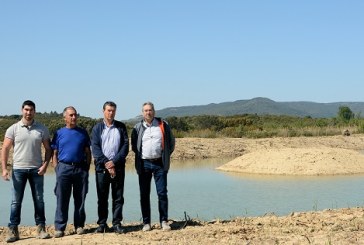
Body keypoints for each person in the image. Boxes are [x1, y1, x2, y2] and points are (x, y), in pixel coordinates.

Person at [1, 100, 52, 242]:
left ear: (35, 111)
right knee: (15, 201)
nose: (28, 113)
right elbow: (5, 148)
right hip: (18, 170)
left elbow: (48, 149)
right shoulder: (13, 128)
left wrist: (45, 165)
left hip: (37, 170)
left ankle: (41, 229)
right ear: (22, 110)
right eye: (26, 110)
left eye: (31, 110)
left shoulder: (42, 129)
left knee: (39, 200)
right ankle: (13, 230)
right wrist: (4, 169)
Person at [131, 102, 175, 232]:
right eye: (145, 110)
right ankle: (146, 222)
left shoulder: (163, 125)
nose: (148, 112)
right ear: (142, 112)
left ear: (154, 111)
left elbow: (171, 143)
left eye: (150, 110)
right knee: (144, 194)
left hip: (159, 164)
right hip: (144, 164)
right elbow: (134, 146)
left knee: (162, 193)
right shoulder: (138, 127)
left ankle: (164, 221)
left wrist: (165, 155)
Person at [51, 106, 91, 238]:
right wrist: (57, 168)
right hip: (64, 168)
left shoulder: (83, 132)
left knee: (80, 199)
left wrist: (86, 168)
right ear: (65, 117)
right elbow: (54, 152)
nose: (74, 117)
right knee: (62, 199)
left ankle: (79, 226)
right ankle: (60, 227)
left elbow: (87, 152)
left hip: (80, 169)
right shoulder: (59, 133)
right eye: (71, 115)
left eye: (75, 115)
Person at [91, 101, 129, 234]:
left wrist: (114, 162)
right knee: (102, 197)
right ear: (103, 111)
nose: (111, 113)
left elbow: (125, 147)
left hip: (118, 167)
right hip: (101, 169)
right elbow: (95, 149)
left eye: (113, 110)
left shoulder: (121, 127)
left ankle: (117, 223)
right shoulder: (97, 128)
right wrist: (107, 163)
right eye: (108, 110)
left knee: (118, 197)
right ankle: (102, 224)